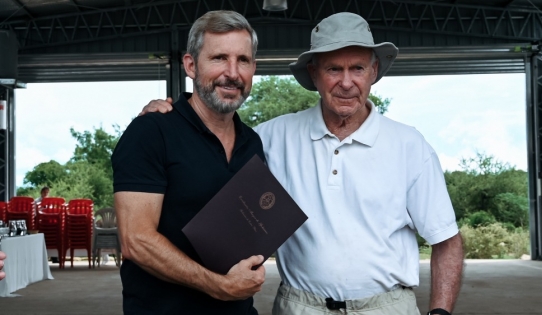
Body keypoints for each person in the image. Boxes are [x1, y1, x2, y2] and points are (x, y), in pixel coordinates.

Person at [141, 12, 464, 315]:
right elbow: (208, 144)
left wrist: (439, 312)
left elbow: (446, 241)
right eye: (333, 69)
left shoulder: (410, 145)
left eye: (358, 68)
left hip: (388, 306)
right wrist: (165, 119)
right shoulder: (270, 137)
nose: (347, 82)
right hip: (301, 305)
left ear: (374, 71)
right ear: (314, 73)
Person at [112, 10, 267, 315]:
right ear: (191, 65)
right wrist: (221, 287)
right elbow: (136, 241)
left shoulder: (252, 142)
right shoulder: (151, 132)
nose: (233, 73)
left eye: (243, 60)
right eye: (219, 58)